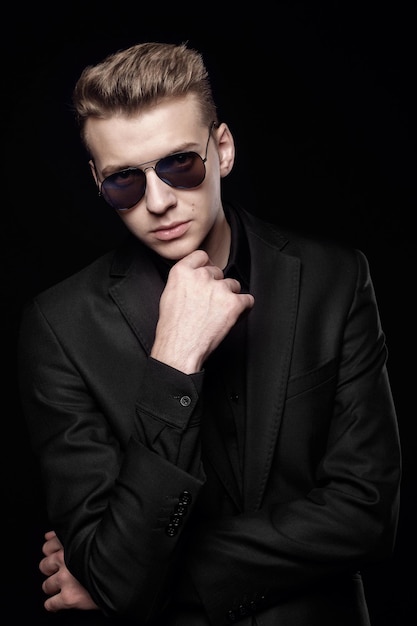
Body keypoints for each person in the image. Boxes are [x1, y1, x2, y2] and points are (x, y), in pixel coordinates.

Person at [18, 41, 401, 626]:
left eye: (179, 164)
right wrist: (174, 361)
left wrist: (143, 580)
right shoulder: (60, 326)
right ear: (97, 181)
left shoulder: (336, 279)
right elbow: (116, 573)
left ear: (220, 150)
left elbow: (366, 515)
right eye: (125, 180)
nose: (159, 201)